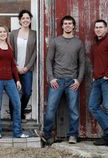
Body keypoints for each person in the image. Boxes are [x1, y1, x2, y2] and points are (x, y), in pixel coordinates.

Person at [35, 15, 85, 145]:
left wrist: (78, 80)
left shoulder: (78, 43)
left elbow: (82, 64)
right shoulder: (55, 41)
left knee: (74, 110)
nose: (67, 25)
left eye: (70, 23)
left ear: (73, 26)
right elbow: (48, 61)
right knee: (51, 109)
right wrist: (51, 78)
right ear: (62, 26)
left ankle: (73, 135)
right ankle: (46, 134)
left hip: (72, 82)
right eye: (65, 24)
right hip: (57, 81)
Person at [0, 24, 29, 138]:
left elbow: (13, 65)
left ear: (7, 33)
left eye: (4, 32)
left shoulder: (9, 46)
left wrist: (17, 80)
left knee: (17, 104)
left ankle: (17, 132)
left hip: (10, 80)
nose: (2, 33)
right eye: (0, 32)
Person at [88, 19, 108, 147]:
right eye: (96, 27)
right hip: (97, 80)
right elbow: (95, 62)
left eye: (101, 27)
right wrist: (95, 76)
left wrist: (107, 74)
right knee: (92, 106)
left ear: (106, 29)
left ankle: (107, 137)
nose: (98, 29)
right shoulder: (95, 45)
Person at [9, 9, 37, 120]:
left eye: (27, 18)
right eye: (23, 18)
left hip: (27, 69)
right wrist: (15, 66)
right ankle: (13, 116)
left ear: (30, 20)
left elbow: (35, 52)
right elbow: (10, 50)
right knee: (14, 93)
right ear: (20, 20)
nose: (25, 20)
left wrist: (27, 67)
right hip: (14, 68)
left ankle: (19, 111)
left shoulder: (34, 34)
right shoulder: (13, 33)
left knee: (27, 92)